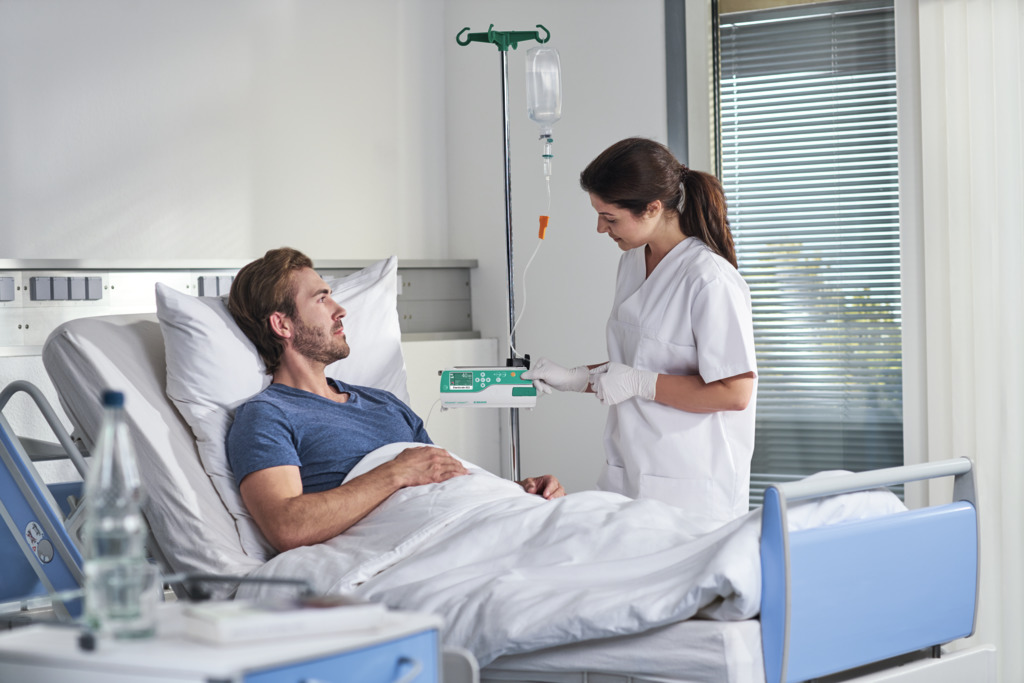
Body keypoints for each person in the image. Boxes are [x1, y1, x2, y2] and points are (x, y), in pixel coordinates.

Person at [225, 247, 564, 552]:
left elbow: (442, 480)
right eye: (321, 299)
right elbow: (287, 526)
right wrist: (395, 472)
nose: (340, 310)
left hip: (483, 521)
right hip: (423, 547)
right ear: (282, 325)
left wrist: (516, 491)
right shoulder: (267, 416)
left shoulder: (384, 403)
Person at [522, 137, 757, 534]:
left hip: (691, 488)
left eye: (610, 218)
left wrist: (639, 383)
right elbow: (639, 363)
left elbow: (734, 392)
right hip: (629, 472)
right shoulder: (633, 261)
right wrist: (577, 378)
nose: (600, 228)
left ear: (653, 208)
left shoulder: (709, 279)